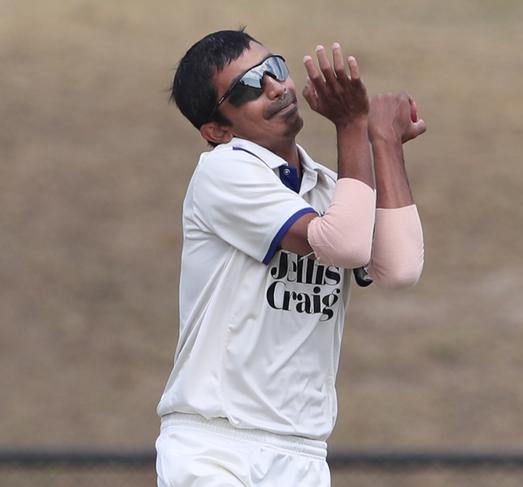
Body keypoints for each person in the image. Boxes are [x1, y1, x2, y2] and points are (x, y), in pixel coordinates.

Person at [155, 29, 426, 487]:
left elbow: (399, 269)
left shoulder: (324, 187)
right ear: (218, 130)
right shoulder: (223, 170)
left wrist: (384, 143)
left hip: (302, 452)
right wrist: (352, 126)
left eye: (275, 69)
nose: (277, 86)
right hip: (217, 448)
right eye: (248, 87)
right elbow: (343, 245)